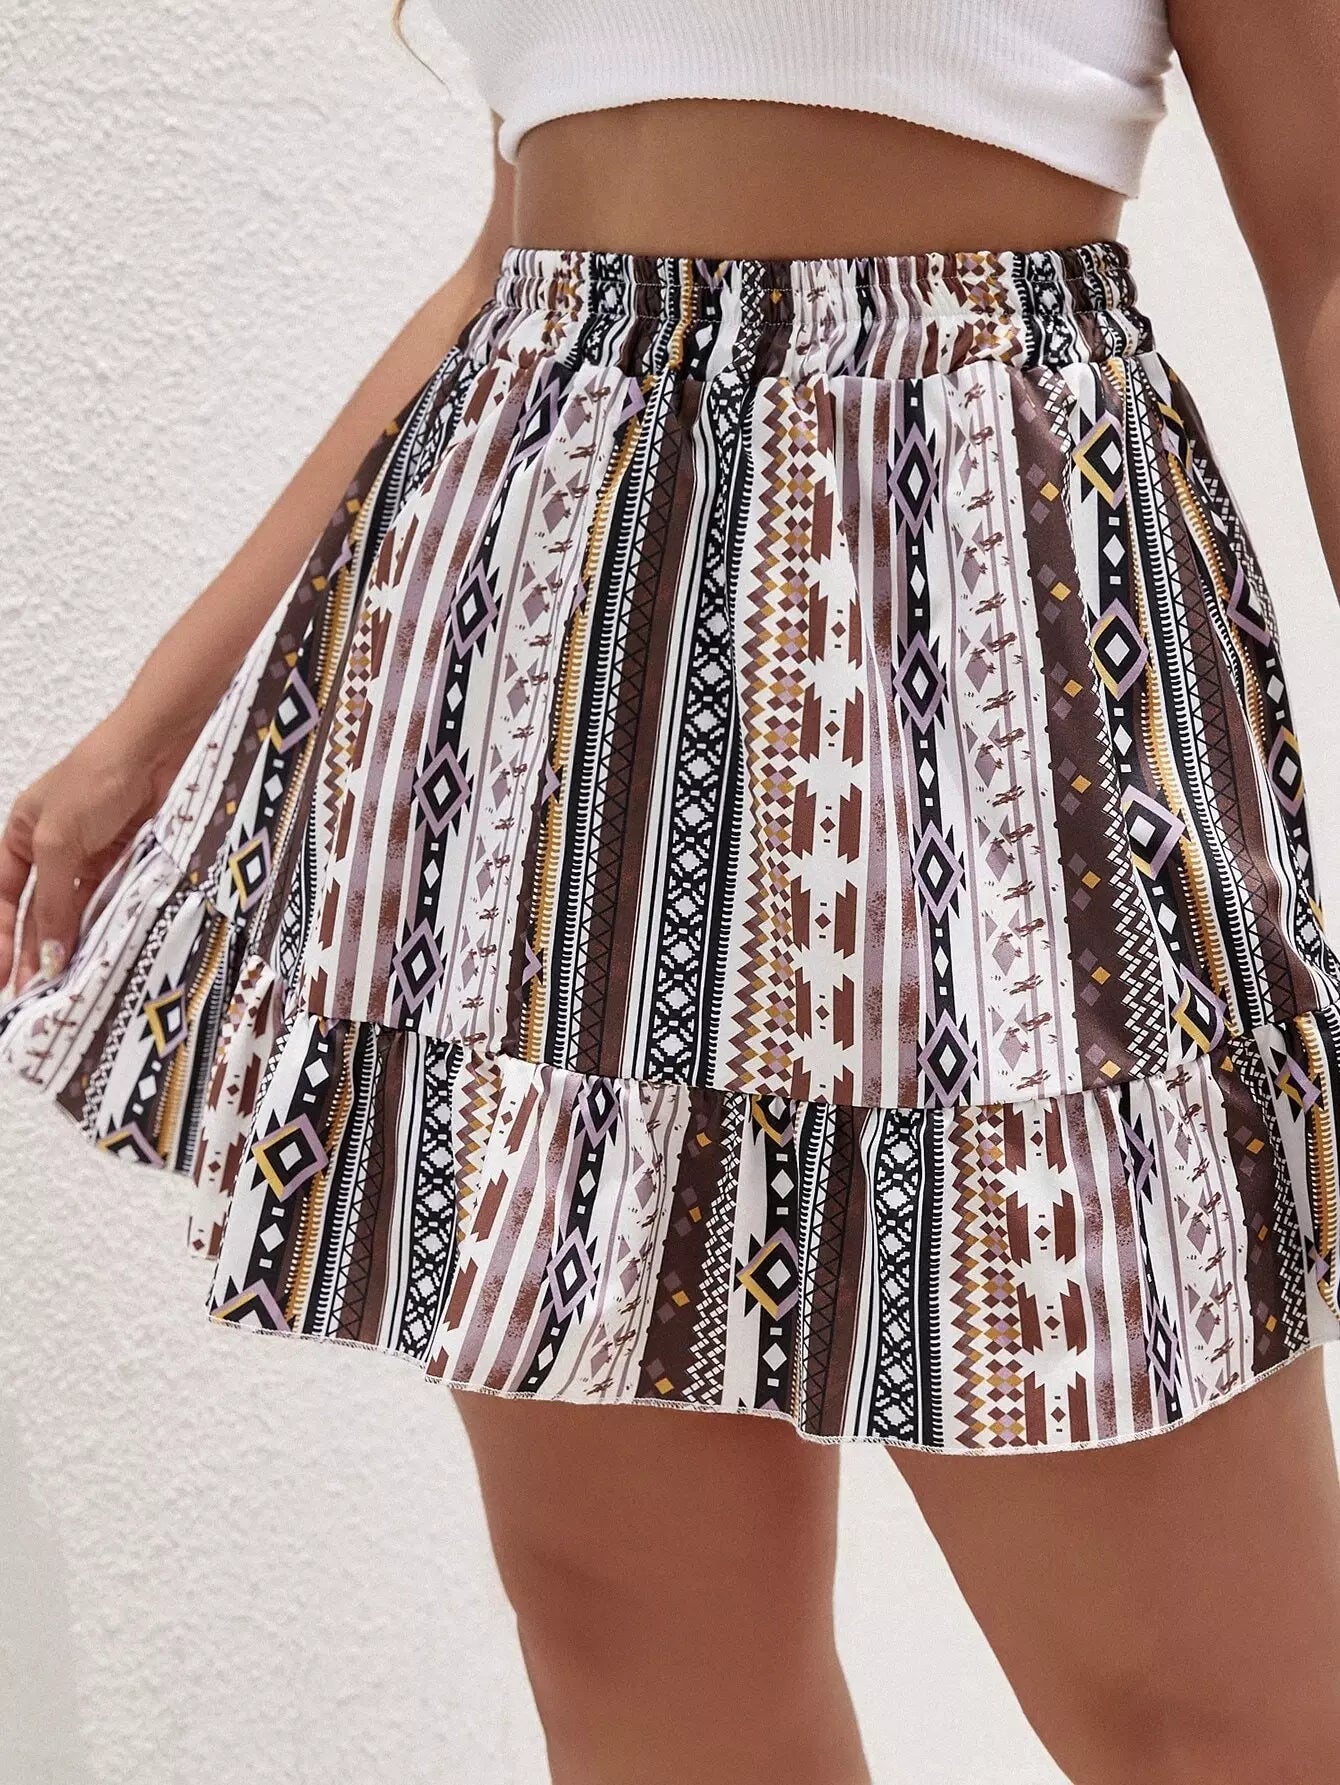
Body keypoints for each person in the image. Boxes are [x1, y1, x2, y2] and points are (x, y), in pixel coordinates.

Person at [4, 2, 1340, 1779]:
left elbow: (1326, 254)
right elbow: (512, 262)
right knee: (641, 1657)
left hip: (977, 634)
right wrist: (150, 726)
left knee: (1212, 1710)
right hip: (538, 657)